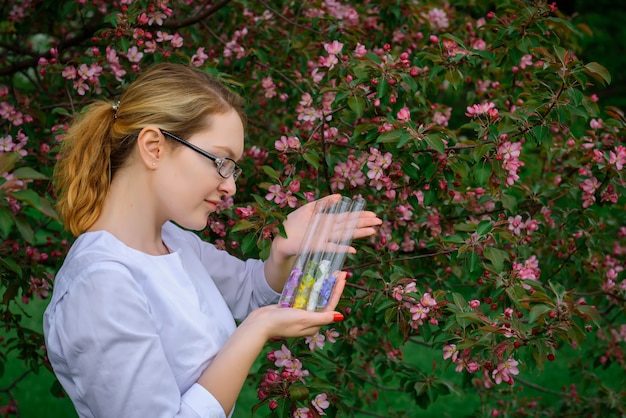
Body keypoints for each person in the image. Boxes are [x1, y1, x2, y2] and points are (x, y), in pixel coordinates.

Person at [43, 62, 381, 418]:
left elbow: (249, 292)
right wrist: (256, 331)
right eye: (221, 161)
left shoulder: (174, 242)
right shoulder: (101, 283)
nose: (230, 186)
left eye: (233, 168)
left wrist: (281, 252)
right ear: (154, 147)